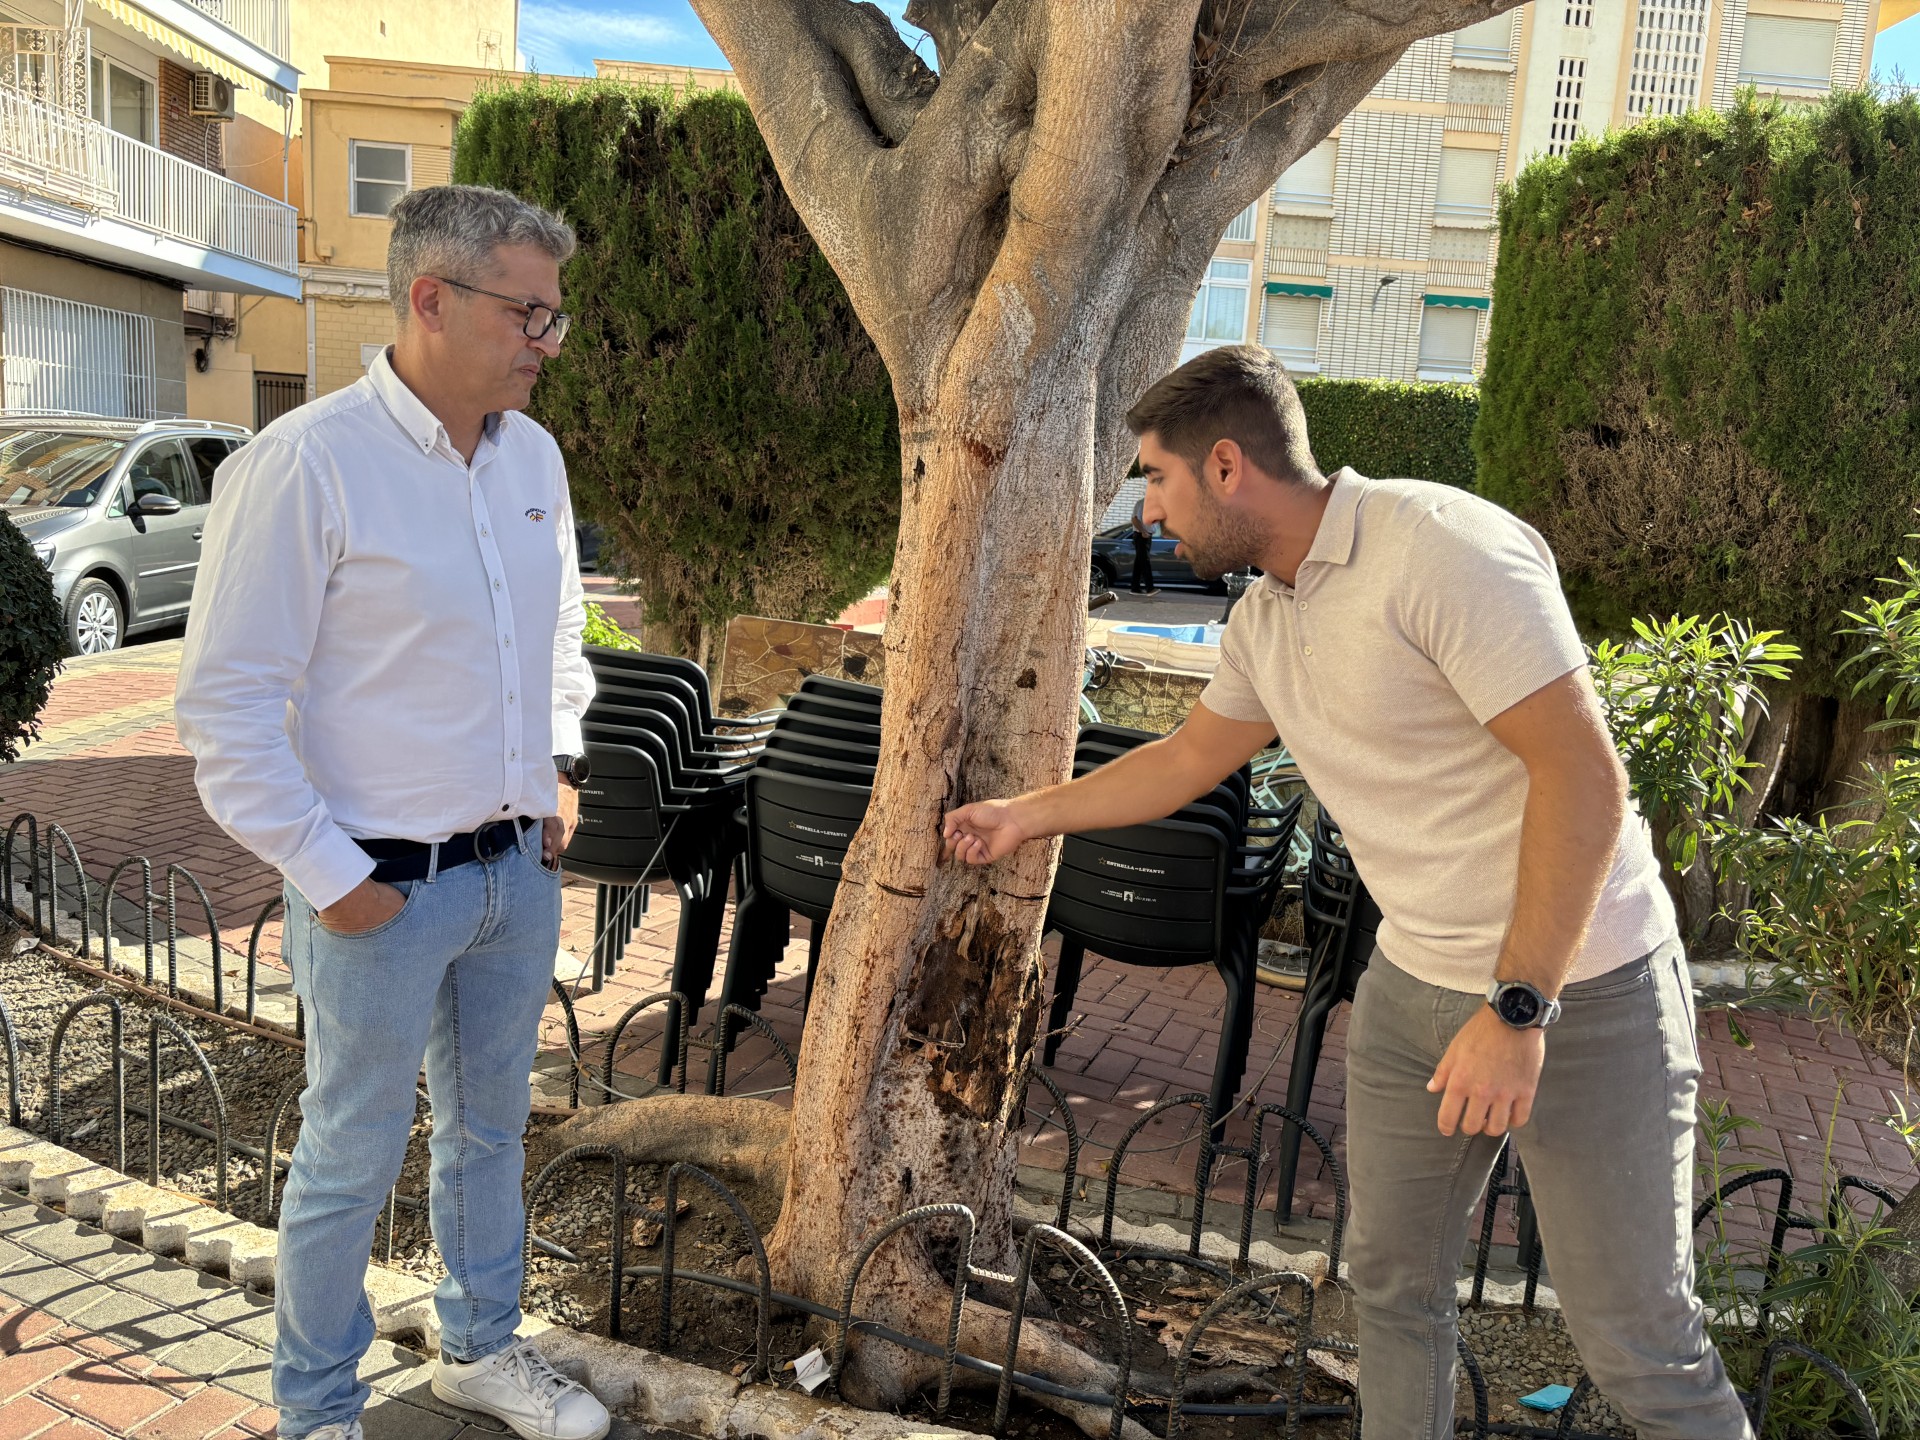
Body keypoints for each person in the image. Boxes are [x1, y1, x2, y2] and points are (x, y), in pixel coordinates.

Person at [942, 345, 1753, 1439]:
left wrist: (1520, 1010)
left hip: (1583, 984)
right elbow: (1186, 760)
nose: (1150, 511)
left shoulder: (1441, 549)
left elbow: (1584, 778)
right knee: (1391, 1293)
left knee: (1636, 1343)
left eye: (1158, 479)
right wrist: (1024, 816)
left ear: (1226, 465)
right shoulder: (1267, 621)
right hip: (1413, 985)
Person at [176, 185, 608, 1440]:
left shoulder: (532, 459)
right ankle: (317, 1409)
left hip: (514, 875)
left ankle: (480, 1350)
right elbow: (227, 708)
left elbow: (560, 634)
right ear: (431, 298)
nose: (547, 339)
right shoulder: (306, 463)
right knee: (349, 1155)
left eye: (554, 316)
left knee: (491, 1137)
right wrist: (334, 876)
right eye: (528, 312)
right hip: (378, 890)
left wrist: (559, 765)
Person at [1129, 499, 1159, 595]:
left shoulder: (1155, 504)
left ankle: (1135, 588)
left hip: (1147, 535)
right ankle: (1150, 588)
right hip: (1141, 535)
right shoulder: (1142, 503)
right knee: (1145, 561)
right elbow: (1134, 519)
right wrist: (1143, 531)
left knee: (1139, 562)